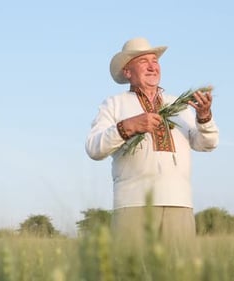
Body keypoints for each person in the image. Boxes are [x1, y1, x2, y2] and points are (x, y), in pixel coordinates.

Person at [85, 37, 219, 251]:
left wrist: (204, 117)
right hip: (133, 203)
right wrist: (128, 126)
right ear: (127, 72)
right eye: (143, 61)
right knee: (132, 272)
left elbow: (207, 144)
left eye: (155, 61)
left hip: (179, 202)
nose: (152, 66)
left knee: (179, 272)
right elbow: (93, 148)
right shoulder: (114, 104)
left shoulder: (178, 104)